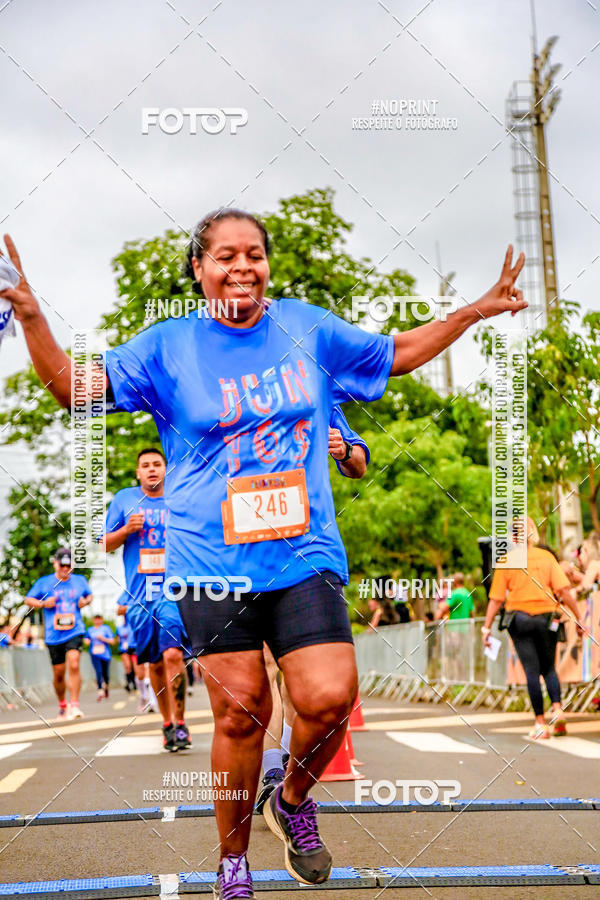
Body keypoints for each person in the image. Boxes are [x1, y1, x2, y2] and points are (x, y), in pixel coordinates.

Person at [2, 214, 526, 898]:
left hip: (302, 553)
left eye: (254, 254)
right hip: (207, 560)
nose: (241, 266)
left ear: (268, 266)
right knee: (240, 711)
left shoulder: (308, 329)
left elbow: (392, 352)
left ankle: (293, 797)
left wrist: (473, 312)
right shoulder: (169, 346)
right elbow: (77, 388)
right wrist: (35, 316)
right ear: (199, 268)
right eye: (225, 256)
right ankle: (232, 863)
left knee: (330, 696)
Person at [256, 411, 369, 813]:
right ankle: (273, 770)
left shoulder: (313, 390)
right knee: (266, 668)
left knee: (308, 681)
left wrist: (344, 451)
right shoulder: (224, 384)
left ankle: (286, 763)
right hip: (245, 554)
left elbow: (358, 464)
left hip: (308, 554)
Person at [103, 449, 191, 751]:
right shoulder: (124, 500)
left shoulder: (181, 496)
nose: (152, 470)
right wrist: (126, 530)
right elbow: (101, 545)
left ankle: (181, 724)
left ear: (166, 469)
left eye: (157, 464)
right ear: (138, 472)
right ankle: (166, 721)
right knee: (154, 663)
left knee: (173, 656)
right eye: (145, 466)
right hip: (140, 596)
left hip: (174, 591)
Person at [482, 518, 586, 740]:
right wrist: (578, 618)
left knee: (531, 670)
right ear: (532, 534)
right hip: (547, 618)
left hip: (519, 620)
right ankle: (558, 711)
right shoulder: (546, 557)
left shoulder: (507, 561)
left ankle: (540, 724)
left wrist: (486, 627)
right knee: (549, 667)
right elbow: (565, 591)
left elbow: (496, 600)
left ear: (512, 537)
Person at [24, 548, 93, 719]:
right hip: (53, 635)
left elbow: (90, 596)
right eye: (62, 565)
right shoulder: (44, 582)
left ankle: (75, 705)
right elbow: (28, 599)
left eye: (68, 565)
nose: (65, 569)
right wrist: (42, 603)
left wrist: (85, 601)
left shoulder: (80, 581)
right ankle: (63, 703)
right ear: (55, 563)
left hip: (74, 630)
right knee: (59, 673)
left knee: (75, 663)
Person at [84, 613, 115, 701]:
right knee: (98, 671)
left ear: (102, 620)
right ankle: (100, 691)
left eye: (99, 619)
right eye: (96, 619)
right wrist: (87, 641)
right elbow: (86, 639)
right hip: (94, 654)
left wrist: (103, 639)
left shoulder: (106, 628)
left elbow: (112, 641)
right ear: (94, 620)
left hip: (105, 655)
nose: (97, 621)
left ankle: (106, 687)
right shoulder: (90, 630)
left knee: (106, 674)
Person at [116, 616, 137, 692]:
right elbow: (118, 638)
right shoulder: (119, 628)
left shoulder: (134, 625)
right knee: (127, 666)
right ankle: (129, 683)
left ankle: (134, 682)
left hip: (134, 647)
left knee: (134, 666)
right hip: (124, 649)